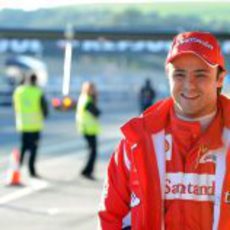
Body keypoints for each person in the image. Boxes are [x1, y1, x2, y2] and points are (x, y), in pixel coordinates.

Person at [98, 31, 230, 229]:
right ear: (168, 76)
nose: (189, 85)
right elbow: (111, 217)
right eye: (179, 74)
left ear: (220, 78)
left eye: (201, 74)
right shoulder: (136, 141)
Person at [13, 74, 48, 178]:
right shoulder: (38, 92)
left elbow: (15, 105)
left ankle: (18, 167)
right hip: (35, 125)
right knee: (33, 149)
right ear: (35, 81)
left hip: (23, 124)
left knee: (23, 147)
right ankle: (31, 170)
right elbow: (44, 109)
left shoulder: (19, 91)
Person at [76, 81, 101, 180]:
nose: (94, 91)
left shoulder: (83, 98)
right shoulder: (88, 101)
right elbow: (97, 113)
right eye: (93, 89)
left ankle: (86, 170)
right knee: (93, 151)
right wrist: (95, 98)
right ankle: (87, 171)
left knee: (91, 151)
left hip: (85, 128)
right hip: (89, 129)